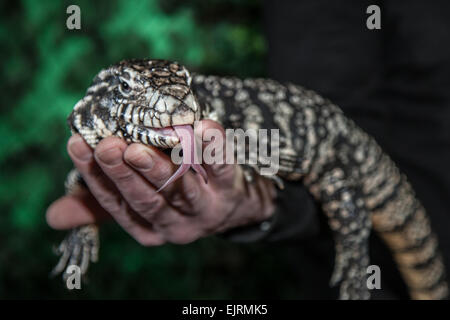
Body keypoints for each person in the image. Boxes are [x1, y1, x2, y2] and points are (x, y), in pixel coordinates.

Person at [47, 0, 450, 299]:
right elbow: (82, 172)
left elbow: (316, 159)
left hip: (356, 159)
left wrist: (266, 203)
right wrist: (84, 221)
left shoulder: (200, 110)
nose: (178, 106)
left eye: (183, 87)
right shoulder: (103, 117)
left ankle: (355, 260)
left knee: (335, 183)